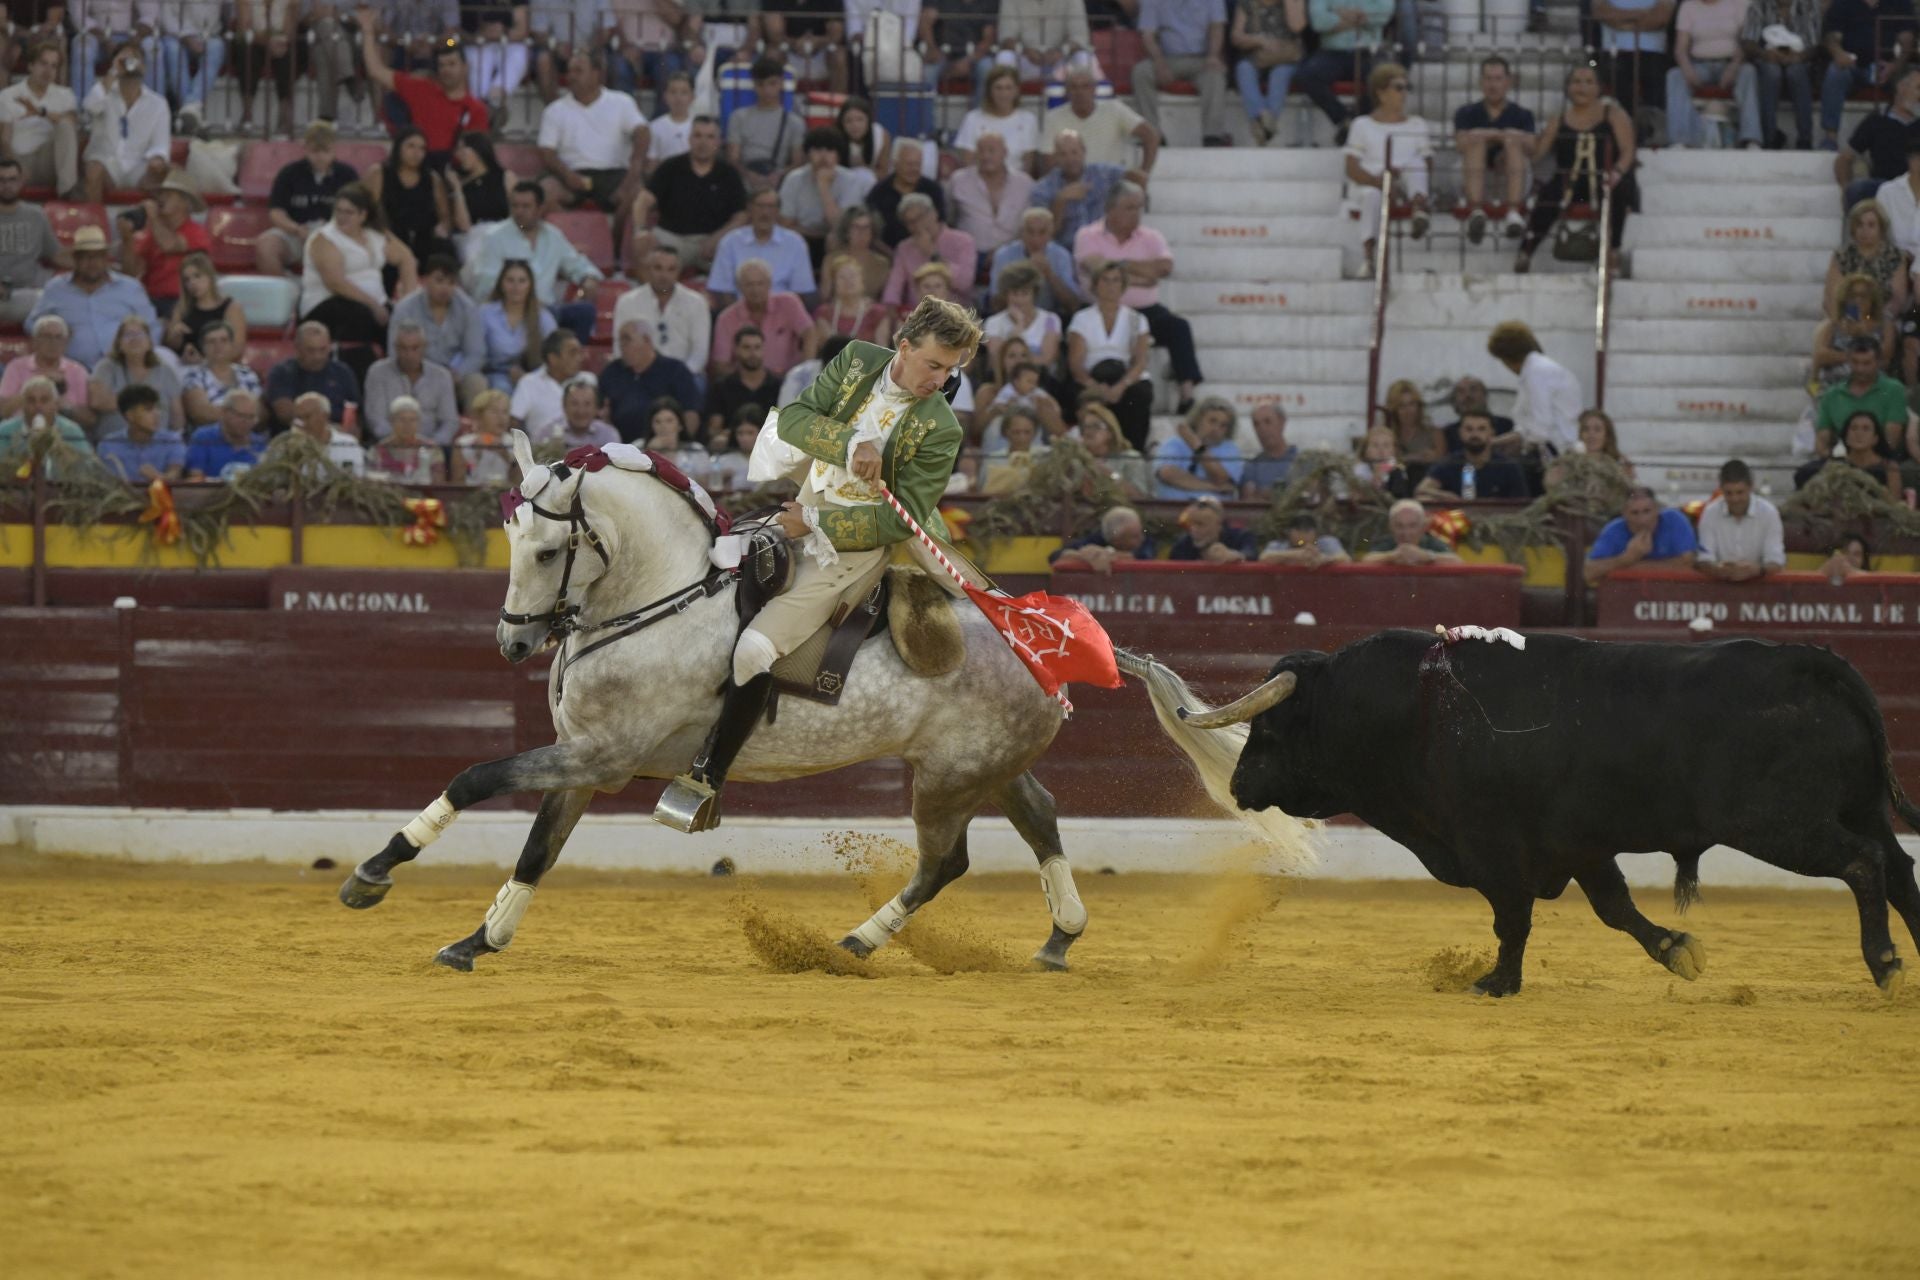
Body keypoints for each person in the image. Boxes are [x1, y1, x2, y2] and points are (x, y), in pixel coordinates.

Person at [658, 297, 982, 831]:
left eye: (952, 370)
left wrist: (816, 525)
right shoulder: (856, 359)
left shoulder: (941, 427)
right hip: (801, 501)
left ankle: (706, 780)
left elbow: (901, 522)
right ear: (903, 347)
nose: (943, 380)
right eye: (935, 365)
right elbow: (796, 421)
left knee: (754, 648)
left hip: (853, 548)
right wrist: (855, 439)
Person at [1073, 181, 1203, 411]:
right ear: (1111, 209)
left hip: (1145, 311)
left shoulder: (1151, 236)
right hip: (1100, 311)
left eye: (1139, 208)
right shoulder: (1088, 235)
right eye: (1130, 208)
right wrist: (1142, 277)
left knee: (1178, 327)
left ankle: (1187, 394)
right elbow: (1097, 269)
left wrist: (1123, 266)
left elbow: (1164, 267)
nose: (1137, 214)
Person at [1515, 65, 1638, 275]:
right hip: (1570, 184)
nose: (1582, 87)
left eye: (1589, 82)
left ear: (1599, 88)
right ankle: (1525, 253)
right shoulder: (1559, 120)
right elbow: (1538, 152)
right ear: (1568, 88)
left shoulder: (1613, 114)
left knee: (1617, 194)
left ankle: (1613, 252)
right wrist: (1520, 145)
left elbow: (1628, 151)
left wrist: (1616, 173)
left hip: (1606, 178)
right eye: (1576, 82)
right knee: (1548, 197)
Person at [300, 183, 417, 389]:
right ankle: (361, 386)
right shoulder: (324, 238)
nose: (342, 217)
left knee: (402, 326)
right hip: (328, 303)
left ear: (363, 215)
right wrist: (373, 305)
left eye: (349, 212)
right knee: (362, 318)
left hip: (374, 304)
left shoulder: (375, 236)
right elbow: (335, 282)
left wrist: (407, 301)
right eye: (338, 211)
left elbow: (406, 258)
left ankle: (399, 385)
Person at [466, 182, 602, 345]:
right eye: (515, 206)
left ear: (540, 209)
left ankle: (569, 364)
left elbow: (577, 264)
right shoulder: (494, 237)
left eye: (526, 206)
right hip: (511, 311)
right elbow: (485, 285)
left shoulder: (553, 236)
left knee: (585, 312)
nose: (519, 212)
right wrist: (523, 300)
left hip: (548, 311)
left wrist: (588, 278)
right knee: (546, 317)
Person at [356, 5, 490, 164]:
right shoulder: (422, 89)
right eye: (442, 65)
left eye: (452, 64)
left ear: (465, 68)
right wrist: (367, 30)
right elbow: (375, 71)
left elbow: (452, 38)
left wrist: (438, 42)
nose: (446, 70)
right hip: (421, 172)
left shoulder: (476, 109)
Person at [537, 50, 648, 229]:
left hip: (613, 174)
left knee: (639, 194)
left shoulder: (621, 102)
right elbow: (547, 152)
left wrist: (634, 171)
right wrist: (567, 174)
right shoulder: (554, 110)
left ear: (596, 74)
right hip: (571, 173)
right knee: (543, 192)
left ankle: (617, 247)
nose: (571, 76)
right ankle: (572, 238)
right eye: (569, 71)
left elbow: (642, 133)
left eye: (578, 71)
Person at [26, 226, 160, 369]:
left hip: (124, 367)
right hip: (72, 369)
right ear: (75, 259)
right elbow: (32, 323)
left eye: (98, 256)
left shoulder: (130, 288)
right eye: (86, 257)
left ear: (106, 259)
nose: (92, 262)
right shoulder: (56, 288)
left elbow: (152, 327)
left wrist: (142, 356)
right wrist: (55, 329)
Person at [634, 115, 750, 270]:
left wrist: (718, 238)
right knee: (643, 246)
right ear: (689, 139)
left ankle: (717, 295)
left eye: (710, 137)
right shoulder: (670, 167)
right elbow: (642, 201)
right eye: (698, 136)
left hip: (711, 243)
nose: (703, 142)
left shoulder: (729, 174)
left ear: (718, 142)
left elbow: (741, 216)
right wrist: (641, 231)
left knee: (739, 263)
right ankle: (659, 293)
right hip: (671, 240)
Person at [1346, 63, 1432, 254]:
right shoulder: (1362, 125)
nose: (1404, 93)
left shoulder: (1417, 124)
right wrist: (1380, 182)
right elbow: (1351, 166)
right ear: (1381, 93)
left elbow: (1427, 163)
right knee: (1372, 196)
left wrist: (1399, 180)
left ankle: (1418, 209)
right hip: (1371, 182)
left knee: (1416, 164)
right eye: (1398, 88)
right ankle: (1369, 254)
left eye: (1406, 88)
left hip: (1404, 182)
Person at [1068, 261, 1154, 451]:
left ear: (1123, 285)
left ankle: (1133, 451)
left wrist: (1120, 387)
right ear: (1096, 284)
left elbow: (1140, 361)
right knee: (1081, 396)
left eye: (1116, 280)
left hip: (1126, 377)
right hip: (1093, 376)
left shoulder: (1137, 319)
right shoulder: (1081, 319)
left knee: (1139, 395)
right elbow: (1076, 364)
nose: (1110, 285)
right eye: (1105, 280)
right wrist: (1096, 387)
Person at [258, 121, 359, 277]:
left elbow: (358, 211)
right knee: (266, 245)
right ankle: (285, 290)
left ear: (334, 150)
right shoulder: (289, 173)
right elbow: (276, 211)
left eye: (325, 151)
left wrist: (335, 230)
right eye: (314, 151)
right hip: (297, 232)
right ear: (305, 149)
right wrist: (295, 228)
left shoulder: (347, 175)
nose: (320, 157)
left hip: (336, 234)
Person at [1454, 55, 1536, 243]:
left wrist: (1502, 138)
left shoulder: (1523, 114)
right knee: (1476, 143)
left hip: (1511, 177)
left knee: (1513, 144)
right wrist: (1496, 134)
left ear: (1508, 81)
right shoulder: (1466, 112)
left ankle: (1513, 212)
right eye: (1488, 79)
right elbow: (1461, 144)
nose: (1493, 85)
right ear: (1481, 82)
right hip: (1473, 176)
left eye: (1498, 79)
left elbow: (1532, 147)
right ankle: (1476, 211)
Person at [389, 254, 489, 407]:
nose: (445, 288)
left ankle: (474, 429)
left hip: (455, 374)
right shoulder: (406, 308)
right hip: (418, 372)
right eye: (439, 281)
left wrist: (457, 374)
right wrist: (425, 374)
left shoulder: (467, 307)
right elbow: (394, 351)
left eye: (451, 283)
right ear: (425, 280)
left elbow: (476, 353)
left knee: (477, 382)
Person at [1820, 0, 1917, 152]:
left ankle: (1907, 142)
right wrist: (1838, 54)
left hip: (1889, 68)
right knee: (1835, 71)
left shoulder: (1900, 3)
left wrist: (1894, 66)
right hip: (1853, 66)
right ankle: (1830, 138)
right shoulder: (1842, 3)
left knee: (1912, 82)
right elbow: (1832, 36)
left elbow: (1907, 41)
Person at [1133, 0, 1231, 149]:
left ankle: (1212, 136)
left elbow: (1217, 27)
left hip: (1201, 59)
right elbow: (1148, 35)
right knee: (1141, 72)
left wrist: (1213, 55)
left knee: (1216, 75)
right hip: (1167, 58)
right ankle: (1152, 134)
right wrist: (1159, 61)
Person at [1665, 0, 1763, 149]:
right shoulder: (1688, 7)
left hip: (1730, 62)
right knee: (1675, 75)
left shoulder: (1737, 4)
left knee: (1749, 72)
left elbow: (1745, 42)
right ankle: (1679, 139)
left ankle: (1751, 139)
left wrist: (1734, 66)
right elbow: (1680, 49)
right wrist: (1688, 69)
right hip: (1699, 64)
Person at [81, 44, 170, 203]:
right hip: (107, 163)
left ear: (144, 66)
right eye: (125, 59)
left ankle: (146, 224)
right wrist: (114, 70)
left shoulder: (158, 103)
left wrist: (157, 160)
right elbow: (90, 106)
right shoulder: (104, 93)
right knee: (94, 169)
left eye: (136, 58)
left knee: (162, 171)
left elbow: (160, 144)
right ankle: (95, 225)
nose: (131, 63)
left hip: (138, 165)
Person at [119, 171, 212, 316]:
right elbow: (131, 273)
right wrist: (127, 240)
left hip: (183, 301)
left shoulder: (196, 232)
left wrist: (153, 217)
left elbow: (169, 245)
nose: (161, 199)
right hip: (151, 300)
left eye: (168, 195)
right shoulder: (152, 234)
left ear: (185, 202)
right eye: (160, 195)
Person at [1487, 320, 1582, 460]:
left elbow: (1540, 427)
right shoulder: (1539, 369)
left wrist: (1519, 444)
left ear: (1507, 357)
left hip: (1558, 451)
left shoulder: (1536, 372)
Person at [1293, 0, 1393, 133]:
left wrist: (1339, 14)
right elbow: (1318, 22)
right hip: (1332, 52)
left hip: (1369, 52)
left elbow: (1382, 14)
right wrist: (1358, 19)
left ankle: (1357, 125)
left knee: (1384, 76)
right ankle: (1344, 120)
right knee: (1307, 75)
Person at [364, 128, 458, 269]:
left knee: (444, 251)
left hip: (424, 237)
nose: (417, 153)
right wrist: (387, 235)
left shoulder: (432, 178)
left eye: (422, 148)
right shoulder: (379, 173)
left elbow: (444, 216)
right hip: (388, 235)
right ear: (398, 147)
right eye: (411, 146)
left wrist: (443, 228)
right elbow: (369, 210)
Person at [612, 247, 712, 379]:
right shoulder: (627, 301)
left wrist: (681, 376)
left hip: (684, 376)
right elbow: (620, 348)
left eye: (671, 269)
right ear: (648, 269)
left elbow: (699, 353)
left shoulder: (696, 303)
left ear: (679, 272)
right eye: (658, 268)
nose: (664, 276)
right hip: (640, 374)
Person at [778, 127, 876, 260]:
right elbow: (786, 224)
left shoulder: (850, 180)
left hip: (836, 241)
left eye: (830, 151)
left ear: (838, 155)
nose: (823, 157)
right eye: (817, 150)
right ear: (808, 154)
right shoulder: (794, 179)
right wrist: (815, 233)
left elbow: (842, 226)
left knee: (834, 239)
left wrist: (823, 187)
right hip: (800, 238)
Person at [1041, 64, 1158, 174]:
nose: (1079, 92)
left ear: (1094, 89)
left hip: (1111, 183)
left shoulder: (1115, 109)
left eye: (1085, 86)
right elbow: (1048, 162)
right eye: (1074, 87)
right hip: (1072, 184)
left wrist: (1144, 173)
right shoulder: (1053, 117)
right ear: (1067, 92)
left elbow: (1151, 135)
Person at [0, 41, 80, 201]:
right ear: (30, 66)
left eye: (54, 66)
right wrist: (16, 169)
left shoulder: (65, 94)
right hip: (20, 161)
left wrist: (40, 112)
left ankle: (67, 192)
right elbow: (4, 140)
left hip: (50, 162)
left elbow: (72, 123)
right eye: (43, 64)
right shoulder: (8, 95)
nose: (48, 71)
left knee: (65, 126)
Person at [710, 188, 818, 306]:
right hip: (741, 313)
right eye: (760, 206)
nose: (765, 213)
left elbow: (801, 291)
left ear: (778, 211)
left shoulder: (795, 243)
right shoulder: (730, 242)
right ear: (749, 209)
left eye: (771, 207)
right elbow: (722, 289)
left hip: (783, 314)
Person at [1834, 65, 1920, 210]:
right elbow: (1844, 159)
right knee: (1858, 190)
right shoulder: (1877, 120)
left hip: (1916, 187)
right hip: (1884, 186)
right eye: (1918, 88)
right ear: (1901, 88)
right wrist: (1845, 187)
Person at [1033, 130, 1135, 251]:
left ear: (1084, 152)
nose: (1070, 159)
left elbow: (1138, 177)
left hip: (1106, 248)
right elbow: (1043, 235)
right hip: (1067, 250)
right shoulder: (1043, 188)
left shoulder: (1104, 173)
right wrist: (1060, 200)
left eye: (1074, 152)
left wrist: (1128, 206)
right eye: (1063, 154)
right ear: (1055, 157)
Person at [600, 320, 701, 442]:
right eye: (620, 340)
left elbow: (691, 414)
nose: (621, 345)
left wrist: (679, 445)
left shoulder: (675, 371)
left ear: (647, 340)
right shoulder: (612, 372)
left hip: (665, 449)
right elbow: (600, 412)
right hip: (621, 451)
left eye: (627, 339)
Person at [712, 259, 813, 380]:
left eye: (760, 283)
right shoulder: (726, 319)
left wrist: (805, 370)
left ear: (770, 284)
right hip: (746, 385)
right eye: (749, 284)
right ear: (739, 287)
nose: (755, 290)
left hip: (788, 381)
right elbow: (721, 365)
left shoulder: (788, 303)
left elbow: (810, 334)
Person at [90, 312, 184, 440]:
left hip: (159, 443)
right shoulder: (106, 367)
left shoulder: (165, 370)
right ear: (119, 344)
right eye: (128, 335)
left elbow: (177, 414)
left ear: (150, 342)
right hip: (115, 444)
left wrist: (176, 440)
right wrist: (143, 405)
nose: (134, 339)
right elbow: (97, 402)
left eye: (140, 334)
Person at [363, 323, 461, 444]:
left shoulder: (441, 376)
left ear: (425, 347)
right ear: (395, 348)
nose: (409, 355)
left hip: (432, 446)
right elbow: (375, 419)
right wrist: (399, 441)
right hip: (390, 445)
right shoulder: (378, 372)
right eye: (403, 348)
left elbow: (449, 421)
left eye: (415, 348)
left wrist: (432, 443)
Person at [1741, 0, 1819, 151]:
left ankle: (1805, 140)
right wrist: (1765, 54)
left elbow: (1815, 44)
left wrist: (1798, 57)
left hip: (1800, 60)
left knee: (1796, 71)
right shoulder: (1758, 5)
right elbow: (1748, 41)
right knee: (1772, 72)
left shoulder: (1809, 4)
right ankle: (1769, 139)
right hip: (1768, 60)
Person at [0, 159, 68, 330]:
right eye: (1, 180)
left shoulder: (36, 215)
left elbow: (56, 254)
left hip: (31, 291)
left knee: (67, 301)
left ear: (21, 181)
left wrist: (91, 260)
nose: (7, 185)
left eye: (12, 179)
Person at [1583, 485, 1698, 583]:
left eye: (1647, 511)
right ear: (1624, 514)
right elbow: (1588, 572)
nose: (1642, 520)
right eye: (1634, 513)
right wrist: (1626, 558)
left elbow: (1687, 563)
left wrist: (1630, 566)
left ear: (1657, 510)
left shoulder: (1674, 520)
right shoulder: (1614, 530)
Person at [0, 315, 96, 434]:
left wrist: (63, 405)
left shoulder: (77, 371)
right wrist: (37, 386)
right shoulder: (16, 367)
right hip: (20, 433)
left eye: (58, 337)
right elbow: (3, 411)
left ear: (66, 342)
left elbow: (89, 419)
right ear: (34, 341)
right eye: (47, 337)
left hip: (63, 434)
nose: (53, 343)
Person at [1693, 459, 1785, 580]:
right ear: (1721, 489)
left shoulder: (1769, 513)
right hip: (1719, 585)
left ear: (1751, 487)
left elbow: (1776, 560)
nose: (1735, 499)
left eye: (1740, 492)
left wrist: (1757, 570)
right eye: (1729, 493)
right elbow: (1704, 557)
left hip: (1760, 586)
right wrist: (1719, 570)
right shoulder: (1710, 512)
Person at [949, 133, 1035, 261]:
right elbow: (949, 220)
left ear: (1005, 153)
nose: (986, 156)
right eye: (981, 151)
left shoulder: (1025, 183)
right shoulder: (958, 180)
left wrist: (1006, 251)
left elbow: (1030, 224)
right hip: (969, 255)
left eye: (991, 150)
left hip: (1014, 254)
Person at [727, 56, 806, 194]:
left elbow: (797, 162)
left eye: (772, 83)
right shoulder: (738, 117)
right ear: (754, 85)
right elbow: (733, 158)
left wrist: (779, 175)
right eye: (761, 85)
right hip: (744, 180)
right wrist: (748, 175)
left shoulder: (794, 122)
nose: (767, 90)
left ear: (781, 83)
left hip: (778, 181)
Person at [881, 195, 977, 308]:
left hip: (955, 313)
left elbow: (964, 283)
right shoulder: (904, 248)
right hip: (917, 314)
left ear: (934, 213)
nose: (917, 225)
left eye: (920, 217)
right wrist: (890, 309)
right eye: (910, 222)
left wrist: (932, 253)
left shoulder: (963, 241)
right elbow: (894, 287)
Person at [479, 259, 558, 393]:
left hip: (532, 374)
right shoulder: (485, 313)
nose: (516, 287)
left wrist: (528, 377)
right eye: (510, 280)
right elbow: (475, 351)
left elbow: (555, 351)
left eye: (522, 281)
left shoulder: (543, 317)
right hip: (495, 373)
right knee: (503, 389)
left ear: (530, 285)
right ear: (501, 284)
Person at [1825, 197, 1911, 321]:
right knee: (1824, 330)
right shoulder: (1841, 256)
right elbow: (1831, 296)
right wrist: (1847, 320)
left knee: (1889, 329)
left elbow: (1898, 298)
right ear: (1853, 228)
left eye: (1871, 225)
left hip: (1883, 318)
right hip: (1846, 318)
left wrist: (1874, 320)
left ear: (1881, 228)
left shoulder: (1896, 257)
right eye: (1859, 224)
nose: (1865, 230)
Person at [267, 321, 361, 432]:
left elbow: (354, 415)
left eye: (323, 349)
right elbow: (285, 415)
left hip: (338, 439)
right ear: (297, 348)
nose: (318, 356)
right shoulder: (282, 372)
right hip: (296, 438)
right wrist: (326, 430)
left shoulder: (343, 373)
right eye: (311, 350)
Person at [1417, 410, 1530, 500]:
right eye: (1469, 429)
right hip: (1457, 520)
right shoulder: (1449, 463)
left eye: (1481, 429)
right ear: (1460, 433)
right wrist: (1446, 496)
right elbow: (1421, 491)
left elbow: (1521, 503)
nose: (1475, 434)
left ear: (1491, 433)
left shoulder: (1508, 466)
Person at [1594, 0, 1674, 121]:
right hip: (1614, 51)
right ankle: (1624, 126)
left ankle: (1649, 129)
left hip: (1653, 52)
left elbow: (1660, 18)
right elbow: (1601, 12)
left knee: (1655, 98)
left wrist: (1622, 22)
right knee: (1617, 88)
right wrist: (1639, 15)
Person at [1814, 275, 1895, 392]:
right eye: (1852, 296)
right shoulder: (1832, 325)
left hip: (1873, 384)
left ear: (1872, 299)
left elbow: (1886, 353)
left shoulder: (1885, 324)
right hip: (1835, 384)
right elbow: (1820, 355)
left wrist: (1862, 333)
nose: (1858, 300)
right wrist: (1859, 358)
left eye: (1863, 295)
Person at [0, 375, 95, 473]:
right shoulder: (4, 431)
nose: (38, 406)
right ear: (23, 404)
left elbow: (86, 468)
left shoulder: (71, 431)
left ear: (56, 404)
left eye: (44, 400)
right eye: (31, 400)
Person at [1154, 397, 1245, 500]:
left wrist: (1197, 446)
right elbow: (1167, 474)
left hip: (1215, 512)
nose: (1216, 429)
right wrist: (1213, 487)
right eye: (1212, 421)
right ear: (1198, 419)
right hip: (1172, 509)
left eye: (1223, 426)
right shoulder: (1174, 443)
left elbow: (1221, 479)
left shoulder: (1230, 449)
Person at [703, 325, 781, 442]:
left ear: (763, 349)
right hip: (732, 449)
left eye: (757, 347)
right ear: (736, 350)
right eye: (746, 347)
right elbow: (714, 429)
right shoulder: (722, 387)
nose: (753, 353)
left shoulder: (778, 386)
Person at [955, 66, 1040, 171]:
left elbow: (1028, 164)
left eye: (1008, 88)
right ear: (989, 91)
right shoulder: (972, 119)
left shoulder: (1028, 120)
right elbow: (967, 162)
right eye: (998, 88)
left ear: (1016, 90)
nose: (1003, 93)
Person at [865, 138, 945, 249]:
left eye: (918, 164)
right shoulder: (879, 193)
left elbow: (942, 225)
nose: (914, 169)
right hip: (889, 254)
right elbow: (872, 232)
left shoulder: (932, 190)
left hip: (929, 250)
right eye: (909, 164)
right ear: (895, 164)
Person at [164, 252, 246, 361]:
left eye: (197, 276)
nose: (192, 283)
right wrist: (176, 336)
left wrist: (205, 362)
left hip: (219, 368)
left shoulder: (231, 308)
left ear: (210, 276)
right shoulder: (181, 308)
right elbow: (171, 347)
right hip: (185, 368)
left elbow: (237, 349)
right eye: (187, 280)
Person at [96, 382, 183, 483]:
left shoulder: (171, 440)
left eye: (157, 408)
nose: (157, 414)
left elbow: (175, 475)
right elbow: (109, 483)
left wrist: (158, 477)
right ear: (130, 416)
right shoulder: (109, 445)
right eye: (148, 409)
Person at [180, 324, 264, 427]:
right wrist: (245, 414)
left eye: (224, 340)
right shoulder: (193, 375)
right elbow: (201, 414)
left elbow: (260, 412)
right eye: (211, 341)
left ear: (232, 345)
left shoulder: (247, 374)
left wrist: (231, 414)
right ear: (202, 347)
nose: (218, 346)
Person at [447, 132, 514, 261]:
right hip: (472, 237)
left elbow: (518, 217)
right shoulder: (460, 185)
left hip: (503, 233)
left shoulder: (505, 178)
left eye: (462, 148)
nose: (458, 154)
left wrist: (520, 230)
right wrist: (457, 189)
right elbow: (464, 226)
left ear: (477, 150)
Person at [510, 330, 585, 436]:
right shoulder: (529, 383)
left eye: (579, 353)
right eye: (572, 353)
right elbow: (514, 421)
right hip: (542, 449)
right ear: (553, 358)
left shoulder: (588, 381)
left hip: (584, 449)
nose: (579, 358)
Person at [813, 255, 896, 349]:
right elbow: (828, 347)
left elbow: (882, 349)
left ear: (862, 280)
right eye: (842, 277)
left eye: (852, 275)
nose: (848, 281)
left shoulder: (877, 313)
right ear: (834, 283)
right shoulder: (824, 313)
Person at [186, 390, 269, 480]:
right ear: (223, 412)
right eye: (240, 415)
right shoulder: (203, 438)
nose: (246, 422)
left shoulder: (261, 444)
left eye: (251, 417)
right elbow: (195, 478)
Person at [1075, 401, 1150, 498]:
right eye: (1085, 427)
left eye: (1095, 426)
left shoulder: (1130, 458)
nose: (1088, 431)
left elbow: (1139, 496)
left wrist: (1108, 474)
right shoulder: (1077, 459)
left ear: (1110, 432)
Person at [1051, 504, 1159, 571]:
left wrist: (1108, 554)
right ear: (1117, 540)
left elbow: (1143, 559)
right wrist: (1084, 555)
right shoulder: (1098, 539)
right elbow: (1055, 556)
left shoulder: (1147, 541)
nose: (1141, 538)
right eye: (1134, 536)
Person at [824, 207, 895, 304]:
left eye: (866, 228)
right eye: (855, 227)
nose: (861, 233)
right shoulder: (831, 259)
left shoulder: (882, 263)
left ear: (872, 232)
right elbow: (825, 297)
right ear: (846, 231)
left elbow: (885, 300)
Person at [369, 396, 447, 483]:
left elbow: (438, 482)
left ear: (419, 422)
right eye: (402, 420)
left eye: (412, 420)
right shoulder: (378, 450)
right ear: (391, 421)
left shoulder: (431, 449)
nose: (407, 425)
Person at [1366, 498, 1463, 565]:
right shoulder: (1386, 542)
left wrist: (1427, 556)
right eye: (1399, 526)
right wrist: (1392, 556)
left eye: (1412, 526)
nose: (1406, 532)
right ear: (1391, 527)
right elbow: (1366, 561)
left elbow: (1457, 562)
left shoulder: (1432, 542)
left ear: (1423, 527)